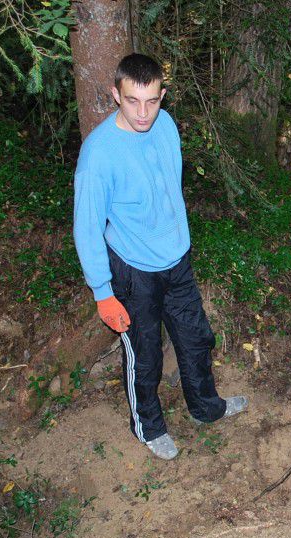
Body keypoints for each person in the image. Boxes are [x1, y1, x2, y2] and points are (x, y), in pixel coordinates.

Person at [73, 53, 247, 460]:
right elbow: (86, 228)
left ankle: (206, 408)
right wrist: (103, 292)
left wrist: (176, 239)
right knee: (145, 354)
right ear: (116, 94)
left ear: (162, 96)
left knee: (196, 339)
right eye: (133, 100)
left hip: (177, 261)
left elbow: (170, 188)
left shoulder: (166, 126)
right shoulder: (99, 154)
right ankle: (148, 428)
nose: (143, 112)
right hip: (133, 273)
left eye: (152, 100)